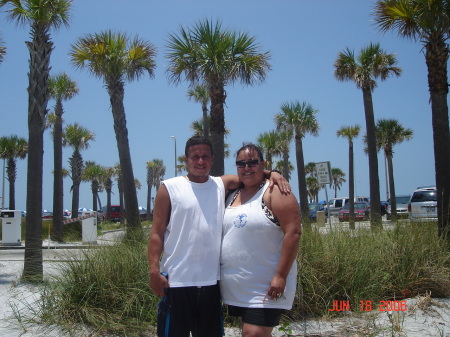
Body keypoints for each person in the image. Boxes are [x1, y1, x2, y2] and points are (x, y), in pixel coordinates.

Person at [148, 135, 289, 337]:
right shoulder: (169, 188)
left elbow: (250, 173)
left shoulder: (221, 184)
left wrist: (273, 173)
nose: (200, 161)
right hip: (176, 282)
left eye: (205, 156)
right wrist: (154, 271)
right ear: (186, 160)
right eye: (195, 157)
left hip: (211, 284)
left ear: (213, 159)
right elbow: (156, 233)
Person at [220, 143, 301, 337]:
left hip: (266, 287)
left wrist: (280, 276)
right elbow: (209, 181)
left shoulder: (275, 192)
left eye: (252, 162)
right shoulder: (232, 192)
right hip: (237, 287)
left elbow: (294, 233)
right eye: (241, 164)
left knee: (253, 333)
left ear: (262, 163)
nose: (246, 168)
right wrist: (269, 172)